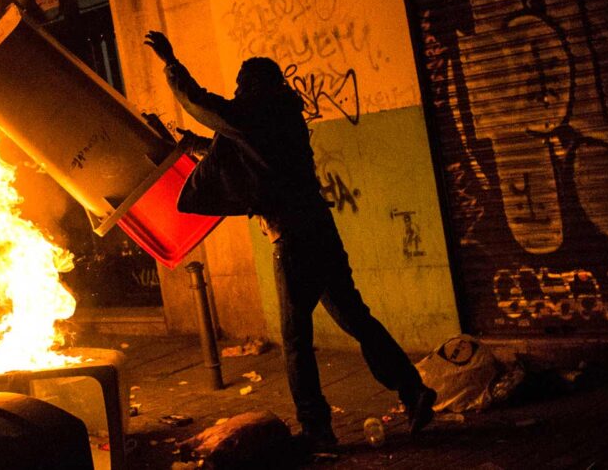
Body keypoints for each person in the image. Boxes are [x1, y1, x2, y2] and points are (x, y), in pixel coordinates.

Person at [144, 30, 436, 449]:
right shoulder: (283, 114)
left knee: (297, 340)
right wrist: (190, 143)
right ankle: (412, 390)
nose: (238, 94)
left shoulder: (253, 113)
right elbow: (241, 148)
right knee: (356, 317)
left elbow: (203, 104)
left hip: (294, 239)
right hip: (319, 228)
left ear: (249, 86)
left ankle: (317, 429)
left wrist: (171, 63)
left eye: (241, 87)